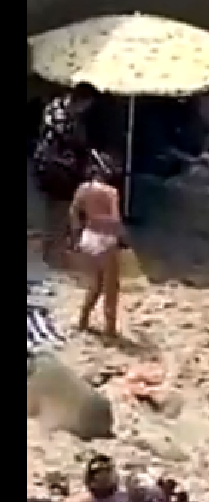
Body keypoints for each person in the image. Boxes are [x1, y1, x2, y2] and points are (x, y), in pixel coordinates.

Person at [69, 158, 125, 338]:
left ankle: (83, 320)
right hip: (105, 240)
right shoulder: (111, 192)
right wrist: (122, 238)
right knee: (111, 288)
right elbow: (115, 220)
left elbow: (73, 212)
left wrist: (76, 236)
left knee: (95, 285)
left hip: (88, 237)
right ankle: (109, 330)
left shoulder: (83, 189)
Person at [32, 83, 101, 200]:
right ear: (79, 101)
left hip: (60, 166)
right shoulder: (58, 112)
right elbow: (66, 138)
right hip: (52, 166)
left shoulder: (70, 113)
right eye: (86, 106)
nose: (84, 110)